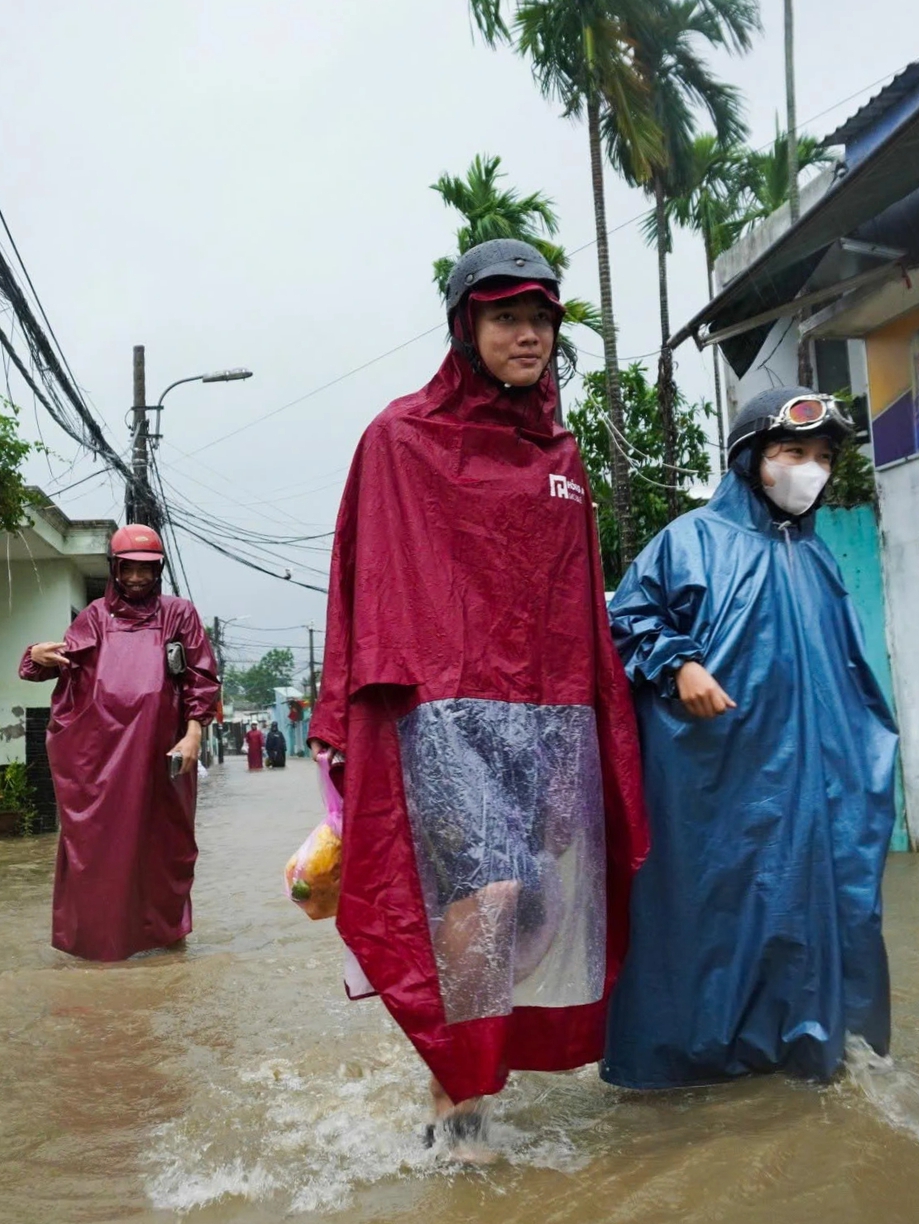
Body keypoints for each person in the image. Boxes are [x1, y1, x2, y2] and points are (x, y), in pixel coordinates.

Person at [309, 239, 648, 1161]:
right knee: (485, 892)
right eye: (506, 317)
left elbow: (579, 604)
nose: (528, 335)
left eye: (541, 318)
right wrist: (345, 721)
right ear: (466, 328)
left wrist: (602, 727)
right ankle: (460, 1114)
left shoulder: (563, 456)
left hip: (545, 724)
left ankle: (451, 1085)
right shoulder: (398, 438)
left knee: (531, 903)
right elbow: (362, 579)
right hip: (439, 721)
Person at [601, 386, 899, 1091]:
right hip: (712, 788)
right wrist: (681, 664)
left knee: (813, 916)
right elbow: (627, 622)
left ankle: (803, 1057)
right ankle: (684, 1071)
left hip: (815, 792)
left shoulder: (820, 562)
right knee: (706, 922)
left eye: (822, 457)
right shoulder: (689, 541)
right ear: (749, 459)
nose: (810, 469)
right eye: (792, 452)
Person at [20, 525, 219, 961]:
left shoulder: (178, 614)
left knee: (168, 848)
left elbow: (201, 680)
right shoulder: (93, 616)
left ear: (158, 571)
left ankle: (169, 944)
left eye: (145, 570)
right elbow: (55, 663)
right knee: (99, 849)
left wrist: (192, 734)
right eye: (127, 569)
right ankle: (101, 945)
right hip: (102, 757)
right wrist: (35, 655)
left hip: (162, 756)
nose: (135, 579)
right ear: (114, 569)